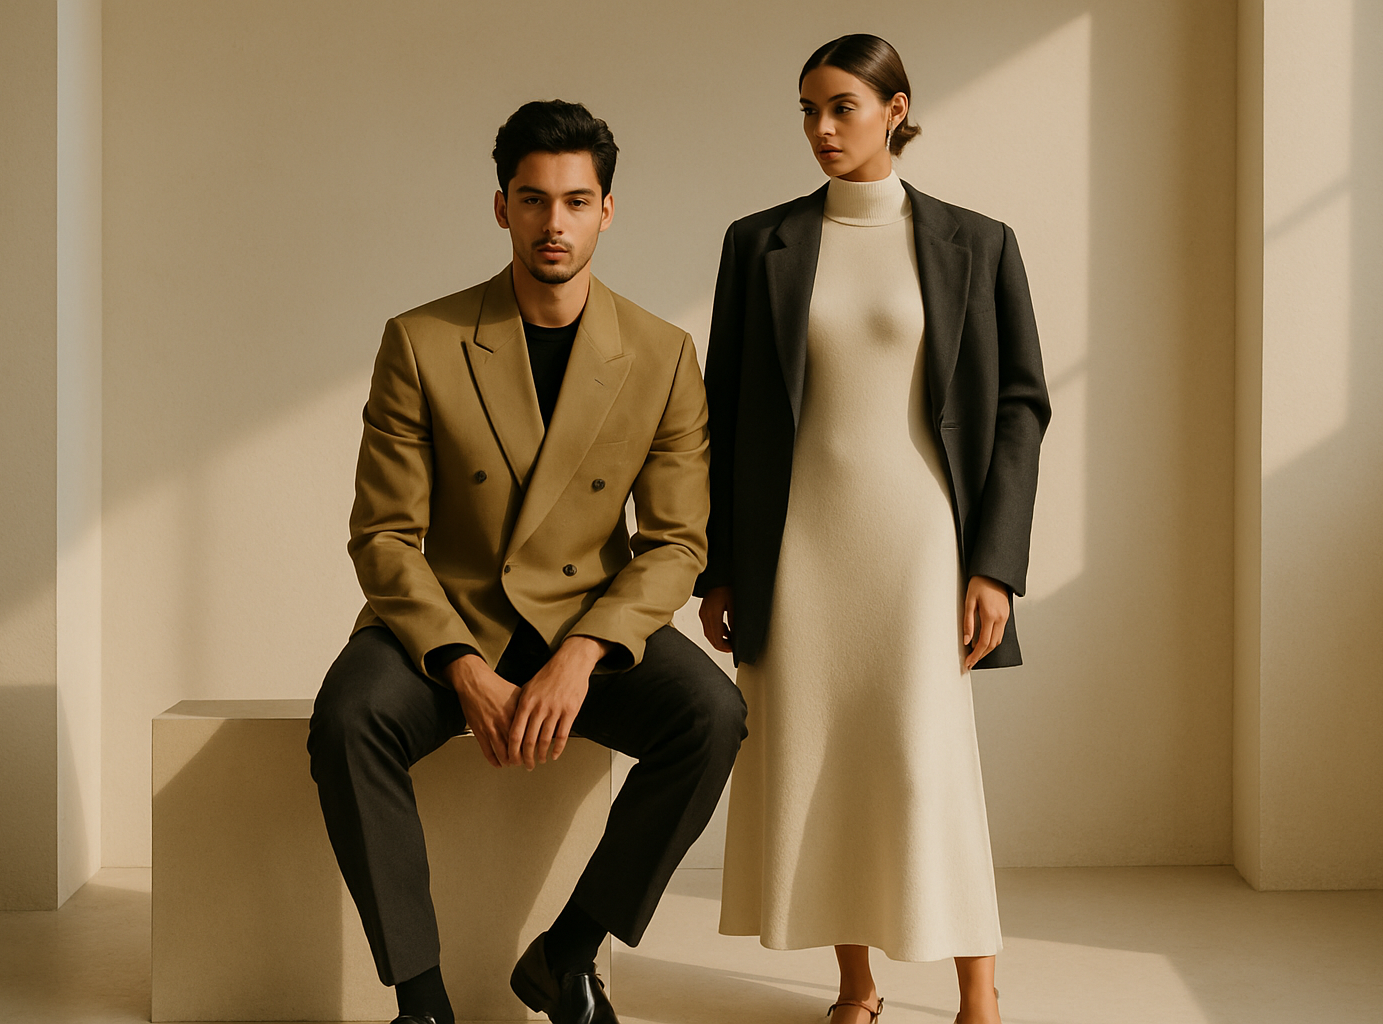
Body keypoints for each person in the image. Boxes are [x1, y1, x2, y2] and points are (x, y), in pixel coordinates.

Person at [309, 99, 746, 1024]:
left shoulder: (663, 356)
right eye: (534, 199)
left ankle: (567, 954)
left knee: (712, 715)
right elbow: (383, 535)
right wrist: (461, 664)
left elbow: (676, 544)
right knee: (350, 718)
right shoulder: (422, 341)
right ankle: (421, 1002)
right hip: (452, 617)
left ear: (608, 211)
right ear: (500, 206)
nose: (556, 223)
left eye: (577, 201)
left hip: (586, 621)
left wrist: (583, 657)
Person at [697, 34, 1052, 1024]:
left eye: (843, 106)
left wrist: (995, 565)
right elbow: (724, 414)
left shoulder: (976, 245)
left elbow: (1020, 406)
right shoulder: (756, 244)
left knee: (924, 757)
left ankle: (979, 990)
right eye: (808, 109)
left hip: (920, 542)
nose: (820, 128)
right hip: (796, 544)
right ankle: (856, 985)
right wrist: (721, 567)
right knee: (819, 756)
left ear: (897, 108)